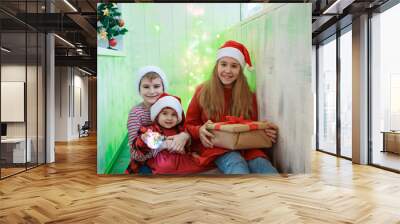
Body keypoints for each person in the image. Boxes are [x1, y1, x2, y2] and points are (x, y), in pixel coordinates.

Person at [185, 40, 279, 174]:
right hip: (216, 147)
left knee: (263, 166)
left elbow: (251, 124)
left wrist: (264, 130)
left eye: (234, 66)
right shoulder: (203, 91)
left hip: (245, 146)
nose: (228, 71)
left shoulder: (248, 95)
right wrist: (199, 130)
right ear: (217, 66)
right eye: (223, 64)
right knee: (236, 164)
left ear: (240, 69)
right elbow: (189, 123)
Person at [126, 66, 190, 174]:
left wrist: (185, 135)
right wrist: (162, 145)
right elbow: (135, 154)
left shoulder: (171, 106)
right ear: (139, 89)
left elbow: (185, 128)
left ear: (163, 88)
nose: (152, 91)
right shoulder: (135, 114)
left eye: (156, 86)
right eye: (146, 87)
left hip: (174, 157)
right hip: (146, 161)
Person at [128, 93, 206, 174]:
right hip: (162, 163)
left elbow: (189, 144)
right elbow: (140, 147)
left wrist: (188, 149)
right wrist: (143, 139)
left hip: (181, 160)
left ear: (178, 118)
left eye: (174, 115)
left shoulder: (180, 130)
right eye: (165, 113)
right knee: (165, 166)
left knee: (200, 163)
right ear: (157, 115)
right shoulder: (152, 129)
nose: (169, 118)